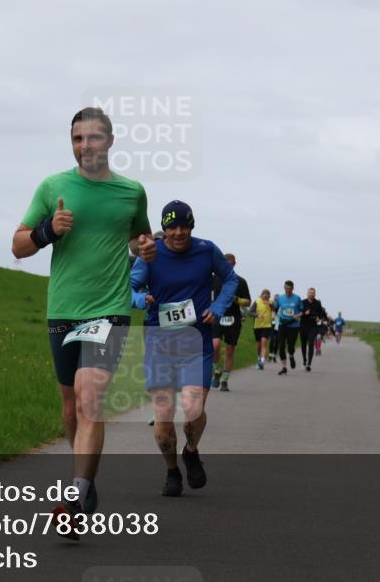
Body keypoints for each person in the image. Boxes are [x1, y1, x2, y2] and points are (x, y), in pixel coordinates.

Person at [12, 107, 155, 538]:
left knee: (89, 395)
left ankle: (74, 495)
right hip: (63, 307)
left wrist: (145, 248)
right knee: (71, 405)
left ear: (110, 141)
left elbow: (137, 236)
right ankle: (86, 476)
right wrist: (47, 231)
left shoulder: (131, 191)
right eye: (77, 139)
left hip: (109, 309)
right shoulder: (53, 187)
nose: (85, 146)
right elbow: (18, 247)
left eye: (93, 138)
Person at [131, 200, 238, 497]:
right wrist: (142, 300)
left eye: (184, 225)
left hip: (196, 341)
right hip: (159, 342)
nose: (178, 232)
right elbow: (129, 287)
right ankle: (172, 471)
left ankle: (191, 451)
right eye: (171, 227)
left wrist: (218, 306)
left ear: (192, 225)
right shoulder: (151, 254)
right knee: (163, 415)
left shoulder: (206, 250)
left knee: (193, 408)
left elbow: (229, 279)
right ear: (163, 229)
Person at [211, 254, 250, 392]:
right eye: (225, 263)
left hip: (233, 318)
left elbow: (247, 301)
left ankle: (225, 380)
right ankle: (217, 370)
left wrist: (237, 299)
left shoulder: (240, 281)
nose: (228, 265)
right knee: (214, 345)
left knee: (229, 350)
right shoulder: (214, 278)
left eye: (230, 263)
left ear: (234, 264)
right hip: (216, 316)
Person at [274, 280, 304, 375]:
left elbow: (302, 311)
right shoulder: (280, 298)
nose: (287, 290)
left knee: (290, 346)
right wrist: (275, 316)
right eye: (286, 288)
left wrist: (298, 315)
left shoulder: (297, 298)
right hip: (283, 325)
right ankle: (284, 367)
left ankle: (291, 355)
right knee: (281, 346)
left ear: (292, 289)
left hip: (293, 326)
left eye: (289, 289)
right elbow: (275, 309)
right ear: (284, 288)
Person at [299, 287, 327, 372]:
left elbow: (322, 315)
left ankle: (309, 364)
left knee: (311, 343)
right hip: (303, 325)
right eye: (310, 293)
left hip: (312, 326)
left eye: (313, 293)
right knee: (303, 344)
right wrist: (304, 313)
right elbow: (299, 313)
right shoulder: (303, 302)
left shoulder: (317, 303)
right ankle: (304, 360)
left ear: (315, 294)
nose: (311, 294)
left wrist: (320, 318)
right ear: (307, 294)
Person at [249, 289, 274, 369]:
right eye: (264, 294)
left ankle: (262, 361)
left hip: (267, 326)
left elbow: (274, 310)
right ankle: (259, 358)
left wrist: (273, 313)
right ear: (261, 295)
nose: (265, 296)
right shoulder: (257, 302)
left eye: (267, 295)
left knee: (264, 342)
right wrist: (257, 315)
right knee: (259, 345)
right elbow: (250, 312)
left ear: (269, 296)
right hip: (257, 326)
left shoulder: (271, 303)